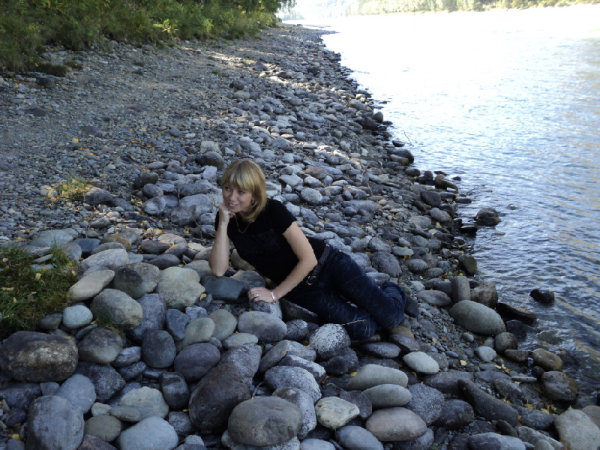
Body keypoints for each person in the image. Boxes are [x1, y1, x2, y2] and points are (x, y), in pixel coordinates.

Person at [209, 158, 411, 340]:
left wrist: (274, 294)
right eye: (227, 188)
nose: (231, 197)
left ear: (254, 193)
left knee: (391, 318)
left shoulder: (273, 211)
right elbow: (218, 270)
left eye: (241, 192)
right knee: (364, 329)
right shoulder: (225, 218)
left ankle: (391, 290)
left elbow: (309, 259)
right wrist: (223, 224)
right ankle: (370, 299)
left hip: (329, 265)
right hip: (302, 289)